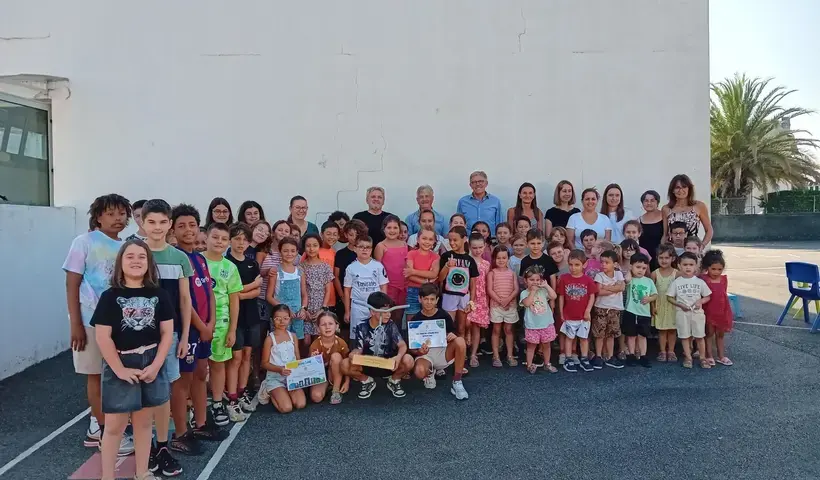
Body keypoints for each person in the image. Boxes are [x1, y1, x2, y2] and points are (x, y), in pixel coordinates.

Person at [91, 240, 174, 480]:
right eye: (130, 256)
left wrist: (156, 365)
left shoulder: (160, 295)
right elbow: (103, 336)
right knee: (115, 426)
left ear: (149, 263)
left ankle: (142, 473)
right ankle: (108, 476)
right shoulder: (110, 297)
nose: (136, 261)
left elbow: (167, 333)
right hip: (121, 362)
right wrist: (119, 370)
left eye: (141, 257)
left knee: (144, 423)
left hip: (151, 361)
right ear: (120, 263)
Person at [63, 194, 134, 456]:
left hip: (120, 325)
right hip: (90, 321)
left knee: (117, 375)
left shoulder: (127, 246)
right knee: (95, 375)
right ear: (98, 216)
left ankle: (115, 426)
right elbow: (72, 284)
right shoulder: (84, 242)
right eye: (111, 213)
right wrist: (76, 325)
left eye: (122, 213)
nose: (118, 218)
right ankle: (102, 430)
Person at [140, 199, 192, 475]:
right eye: (152, 222)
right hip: (137, 339)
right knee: (142, 394)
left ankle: (161, 446)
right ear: (142, 223)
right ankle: (145, 447)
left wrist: (183, 336)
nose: (157, 227)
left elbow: (185, 300)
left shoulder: (179, 258)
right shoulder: (135, 253)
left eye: (162, 222)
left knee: (162, 394)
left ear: (169, 224)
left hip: (169, 337)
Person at [170, 204, 227, 444]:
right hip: (188, 330)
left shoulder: (199, 258)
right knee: (183, 380)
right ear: (172, 230)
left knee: (201, 374)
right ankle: (181, 432)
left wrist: (211, 322)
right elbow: (183, 300)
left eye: (192, 225)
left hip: (205, 328)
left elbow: (209, 293)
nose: (188, 230)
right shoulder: (175, 259)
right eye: (181, 226)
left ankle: (201, 423)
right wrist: (201, 326)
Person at [202, 223, 243, 426]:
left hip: (222, 325)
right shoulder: (196, 262)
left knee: (218, 366)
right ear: (207, 238)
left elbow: (234, 300)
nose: (219, 242)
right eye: (215, 237)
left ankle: (217, 402)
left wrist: (232, 329)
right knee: (198, 369)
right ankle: (195, 406)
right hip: (198, 323)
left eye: (223, 239)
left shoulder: (230, 267)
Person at [341, 292, 415, 398]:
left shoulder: (391, 325)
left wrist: (398, 357)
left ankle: (394, 380)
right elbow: (358, 349)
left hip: (388, 365)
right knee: (344, 364)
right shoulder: (361, 326)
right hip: (368, 364)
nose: (388, 314)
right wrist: (354, 354)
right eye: (384, 312)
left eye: (389, 311)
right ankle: (367, 381)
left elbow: (402, 345)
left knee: (408, 360)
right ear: (372, 312)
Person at [225, 223, 263, 422]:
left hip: (252, 315)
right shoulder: (226, 263)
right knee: (236, 358)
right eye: (237, 238)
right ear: (230, 240)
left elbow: (254, 292)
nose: (241, 243)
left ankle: (241, 393)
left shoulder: (252, 263)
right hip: (234, 318)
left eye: (244, 240)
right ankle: (231, 398)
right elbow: (234, 294)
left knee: (248, 355)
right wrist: (252, 286)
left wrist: (244, 292)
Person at [410, 284, 469, 400]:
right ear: (420, 299)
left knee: (460, 341)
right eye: (425, 299)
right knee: (419, 371)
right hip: (426, 355)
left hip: (443, 352)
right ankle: (430, 372)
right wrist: (419, 352)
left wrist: (453, 335)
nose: (429, 302)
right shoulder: (415, 319)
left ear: (437, 300)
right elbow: (412, 348)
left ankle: (457, 382)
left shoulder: (444, 315)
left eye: (432, 299)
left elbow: (453, 333)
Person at [666, 252, 712, 369]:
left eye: (691, 265)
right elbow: (669, 297)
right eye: (685, 264)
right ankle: (688, 357)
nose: (688, 267)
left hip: (697, 314)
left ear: (696, 266)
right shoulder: (676, 282)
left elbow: (707, 296)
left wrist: (700, 302)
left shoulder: (700, 282)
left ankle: (702, 357)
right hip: (682, 313)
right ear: (679, 266)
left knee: (700, 336)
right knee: (684, 336)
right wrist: (680, 304)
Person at [258, 305, 306, 413]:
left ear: (290, 319)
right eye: (277, 318)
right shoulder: (270, 339)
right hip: (275, 377)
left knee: (300, 404)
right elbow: (264, 363)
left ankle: (284, 393)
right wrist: (280, 369)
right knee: (286, 408)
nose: (282, 321)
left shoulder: (293, 336)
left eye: (285, 318)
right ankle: (269, 390)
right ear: (272, 320)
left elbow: (297, 357)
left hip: (291, 377)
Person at [557, 250, 597, 373]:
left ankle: (584, 358)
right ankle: (568, 358)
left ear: (584, 265)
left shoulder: (588, 280)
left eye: (577, 265)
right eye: (570, 264)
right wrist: (561, 313)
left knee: (584, 338)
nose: (573, 268)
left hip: (583, 316)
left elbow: (592, 296)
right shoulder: (564, 278)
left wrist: (588, 311)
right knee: (569, 337)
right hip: (569, 315)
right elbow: (562, 296)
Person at [343, 236, 389, 339]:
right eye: (361, 247)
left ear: (371, 249)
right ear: (355, 248)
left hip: (375, 307)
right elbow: (347, 290)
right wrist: (347, 311)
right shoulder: (351, 268)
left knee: (376, 335)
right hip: (357, 306)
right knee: (357, 336)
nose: (364, 249)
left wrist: (384, 308)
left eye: (368, 247)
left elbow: (383, 287)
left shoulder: (378, 266)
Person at [438, 226, 479, 337]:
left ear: (464, 239)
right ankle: (448, 353)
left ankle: (462, 352)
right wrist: (447, 266)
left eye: (455, 240)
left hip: (464, 297)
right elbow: (440, 278)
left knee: (462, 327)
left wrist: (471, 302)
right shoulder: (446, 256)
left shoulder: (470, 260)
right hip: (449, 295)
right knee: (448, 327)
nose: (452, 243)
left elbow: (473, 284)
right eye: (450, 240)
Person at [266, 238, 307, 341]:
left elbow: (304, 294)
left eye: (293, 251)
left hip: (297, 316)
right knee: (280, 342)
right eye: (285, 251)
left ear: (297, 252)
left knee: (296, 344)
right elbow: (269, 297)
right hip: (281, 317)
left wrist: (303, 309)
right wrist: (285, 309)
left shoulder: (300, 272)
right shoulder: (276, 271)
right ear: (280, 252)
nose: (289, 254)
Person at [590, 250, 625, 370]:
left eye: (607, 262)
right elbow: (599, 292)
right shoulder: (599, 276)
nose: (603, 265)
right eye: (602, 262)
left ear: (615, 264)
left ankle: (610, 356)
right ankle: (599, 356)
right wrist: (614, 288)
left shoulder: (619, 274)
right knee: (599, 334)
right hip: (601, 308)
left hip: (615, 309)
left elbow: (622, 287)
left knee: (611, 334)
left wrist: (607, 287)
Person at [520, 266, 558, 374]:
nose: (535, 282)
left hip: (546, 323)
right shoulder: (524, 293)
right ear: (525, 281)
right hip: (532, 325)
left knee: (547, 345)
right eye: (531, 280)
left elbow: (554, 296)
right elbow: (527, 303)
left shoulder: (543, 291)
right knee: (531, 346)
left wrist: (546, 285)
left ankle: (547, 363)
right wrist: (532, 292)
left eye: (537, 280)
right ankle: (529, 364)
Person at [623, 253, 657, 367]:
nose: (641, 270)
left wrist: (650, 298)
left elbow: (655, 294)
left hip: (644, 313)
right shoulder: (630, 279)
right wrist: (629, 271)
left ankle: (643, 356)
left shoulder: (649, 281)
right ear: (631, 266)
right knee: (631, 335)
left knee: (642, 336)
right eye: (638, 267)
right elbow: (626, 279)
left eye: (643, 268)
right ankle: (631, 355)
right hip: (631, 311)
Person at [487, 246, 519, 367]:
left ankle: (509, 355)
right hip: (496, 306)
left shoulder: (512, 273)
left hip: (510, 306)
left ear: (508, 259)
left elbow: (516, 289)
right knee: (496, 330)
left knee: (509, 330)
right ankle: (496, 356)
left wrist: (508, 300)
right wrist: (500, 301)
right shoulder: (492, 273)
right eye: (498, 258)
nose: (501, 260)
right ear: (494, 259)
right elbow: (490, 290)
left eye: (504, 258)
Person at [308, 312, 350, 404]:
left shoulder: (341, 343)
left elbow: (348, 364)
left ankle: (335, 390)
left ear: (337, 326)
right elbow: (311, 370)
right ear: (318, 328)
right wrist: (313, 361)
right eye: (323, 324)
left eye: (330, 324)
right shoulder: (315, 345)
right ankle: (327, 387)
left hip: (336, 374)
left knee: (336, 356)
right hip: (321, 376)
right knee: (316, 397)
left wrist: (347, 382)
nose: (327, 327)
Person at [300, 233, 334, 347]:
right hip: (306, 309)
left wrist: (323, 309)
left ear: (319, 246)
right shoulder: (301, 266)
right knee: (306, 341)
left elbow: (328, 290)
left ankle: (318, 363)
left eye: (315, 245)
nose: (311, 248)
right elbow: (302, 290)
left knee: (319, 340)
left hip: (321, 308)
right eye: (308, 245)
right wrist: (305, 309)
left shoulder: (325, 267)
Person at [701, 250, 733, 366]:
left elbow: (723, 295)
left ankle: (721, 356)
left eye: (719, 269)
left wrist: (726, 312)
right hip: (709, 311)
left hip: (722, 311)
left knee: (720, 334)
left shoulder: (724, 279)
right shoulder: (704, 279)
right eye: (713, 269)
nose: (716, 272)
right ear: (707, 267)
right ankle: (709, 355)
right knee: (709, 334)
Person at [374, 215, 409, 321]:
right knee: (387, 314)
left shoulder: (404, 244)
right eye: (389, 228)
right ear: (383, 229)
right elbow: (377, 269)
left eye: (395, 227)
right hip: (388, 286)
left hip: (403, 285)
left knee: (399, 313)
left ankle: (397, 335)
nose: (392, 230)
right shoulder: (381, 246)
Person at [662, 173, 714, 245]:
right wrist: (662, 250)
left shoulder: (699, 206)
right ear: (672, 190)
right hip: (673, 250)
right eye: (677, 187)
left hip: (692, 249)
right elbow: (665, 234)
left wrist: (702, 246)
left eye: (684, 187)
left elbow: (709, 230)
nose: (681, 190)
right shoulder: (666, 209)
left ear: (689, 189)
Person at [334, 220, 367, 328]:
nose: (354, 237)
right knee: (345, 326)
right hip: (344, 296)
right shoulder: (340, 254)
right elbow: (336, 277)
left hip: (362, 298)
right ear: (346, 235)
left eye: (357, 234)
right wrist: (343, 296)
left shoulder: (366, 253)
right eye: (351, 234)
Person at [403, 228, 441, 322]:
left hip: (430, 292)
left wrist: (414, 271)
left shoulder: (435, 256)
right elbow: (408, 274)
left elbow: (433, 274)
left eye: (430, 239)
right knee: (411, 321)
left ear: (434, 242)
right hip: (413, 291)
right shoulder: (411, 254)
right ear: (418, 239)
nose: (427, 242)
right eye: (424, 238)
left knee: (429, 319)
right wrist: (426, 281)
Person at [258, 220, 291, 324]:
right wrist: (267, 271)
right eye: (280, 230)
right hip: (262, 297)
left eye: (286, 231)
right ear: (273, 232)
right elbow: (256, 272)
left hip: (280, 299)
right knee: (262, 328)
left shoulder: (290, 253)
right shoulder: (263, 251)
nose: (283, 232)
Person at [466, 233, 491, 367]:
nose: (477, 250)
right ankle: (462, 351)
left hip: (481, 298)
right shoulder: (466, 261)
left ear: (485, 246)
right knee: (465, 324)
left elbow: (488, 283)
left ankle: (473, 354)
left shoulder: (486, 264)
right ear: (469, 247)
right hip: (467, 296)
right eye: (474, 247)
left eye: (480, 247)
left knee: (476, 327)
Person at [652, 243, 679, 362]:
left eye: (667, 258)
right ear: (657, 258)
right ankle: (662, 351)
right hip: (660, 304)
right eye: (661, 257)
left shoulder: (677, 273)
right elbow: (651, 292)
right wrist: (652, 306)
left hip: (673, 305)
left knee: (672, 330)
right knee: (662, 330)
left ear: (672, 258)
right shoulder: (654, 274)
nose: (664, 260)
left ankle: (671, 351)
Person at [639, 190, 664, 270]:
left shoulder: (664, 217)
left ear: (657, 202)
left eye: (652, 200)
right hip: (645, 258)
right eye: (646, 201)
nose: (649, 203)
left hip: (662, 256)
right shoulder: (639, 220)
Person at [318, 221, 340, 312]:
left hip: (330, 297)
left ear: (338, 236)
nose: (332, 237)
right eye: (328, 234)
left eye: (335, 234)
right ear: (321, 234)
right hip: (315, 297)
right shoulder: (313, 250)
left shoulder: (335, 253)